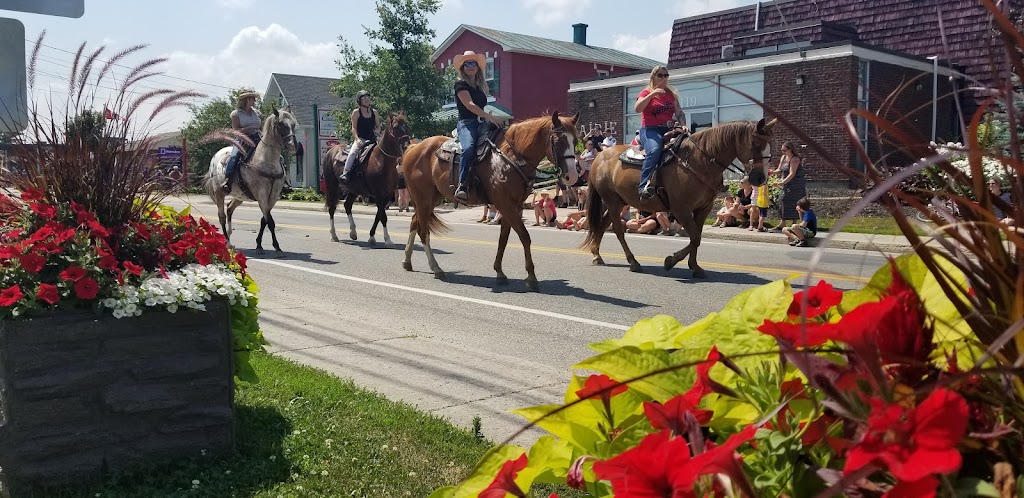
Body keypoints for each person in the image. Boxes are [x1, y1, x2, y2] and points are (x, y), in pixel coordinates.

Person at [452, 50, 504, 202]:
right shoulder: (460, 85)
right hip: (466, 124)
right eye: (467, 63)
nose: (470, 66)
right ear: (462, 67)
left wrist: (493, 120)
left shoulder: (479, 86)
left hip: (481, 123)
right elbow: (469, 105)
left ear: (477, 67)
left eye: (473, 63)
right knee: (468, 148)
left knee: (500, 139)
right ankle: (462, 185)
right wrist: (489, 116)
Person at [635, 66, 686, 199]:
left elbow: (679, 112)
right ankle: (643, 186)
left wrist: (683, 125)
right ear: (653, 77)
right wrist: (653, 94)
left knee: (689, 146)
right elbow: (637, 108)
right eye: (660, 75)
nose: (663, 78)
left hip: (668, 129)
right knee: (654, 150)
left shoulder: (671, 94)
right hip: (650, 129)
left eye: (666, 75)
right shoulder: (646, 92)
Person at [222, 90, 262, 193]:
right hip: (243, 139)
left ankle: (282, 182)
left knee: (275, 154)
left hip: (258, 137)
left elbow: (260, 126)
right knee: (235, 156)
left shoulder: (256, 113)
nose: (255, 101)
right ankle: (228, 181)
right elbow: (234, 131)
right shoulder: (236, 114)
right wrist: (249, 128)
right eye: (253, 99)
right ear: (247, 100)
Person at [340, 90, 381, 183]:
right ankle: (346, 173)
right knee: (353, 153)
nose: (367, 99)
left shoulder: (374, 112)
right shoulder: (356, 112)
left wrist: (378, 132)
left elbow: (378, 126)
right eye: (364, 98)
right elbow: (353, 128)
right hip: (361, 138)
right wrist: (357, 139)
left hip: (373, 139)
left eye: (368, 97)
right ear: (359, 100)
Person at [770, 141, 805, 231]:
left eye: (784, 150)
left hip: (796, 185)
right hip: (786, 184)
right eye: (782, 150)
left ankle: (794, 224)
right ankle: (783, 223)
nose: (783, 152)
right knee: (781, 200)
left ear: (790, 149)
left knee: (795, 202)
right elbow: (779, 169)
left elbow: (792, 173)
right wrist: (771, 172)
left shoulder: (795, 159)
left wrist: (782, 182)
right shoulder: (784, 157)